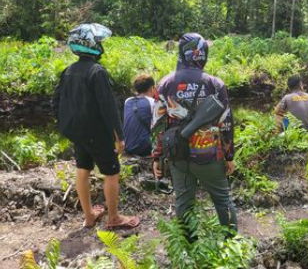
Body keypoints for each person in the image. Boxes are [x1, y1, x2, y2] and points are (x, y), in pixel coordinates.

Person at [52, 23, 139, 230]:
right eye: (98, 41)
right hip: (97, 133)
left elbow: (55, 102)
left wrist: (66, 126)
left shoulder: (68, 71)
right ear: (91, 44)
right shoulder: (97, 72)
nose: (100, 45)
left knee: (83, 169)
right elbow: (109, 108)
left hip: (77, 132)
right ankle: (114, 218)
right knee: (111, 172)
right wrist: (119, 136)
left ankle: (89, 216)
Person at [152, 33, 237, 230]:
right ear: (201, 54)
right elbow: (226, 123)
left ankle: (189, 248)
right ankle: (232, 245)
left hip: (177, 154)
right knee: (222, 199)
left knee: (184, 203)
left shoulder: (165, 84)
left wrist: (157, 156)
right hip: (208, 152)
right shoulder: (215, 84)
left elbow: (157, 124)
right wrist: (229, 155)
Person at [123, 74, 156, 156]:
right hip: (144, 149)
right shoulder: (152, 102)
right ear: (152, 88)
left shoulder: (128, 101)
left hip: (127, 147)